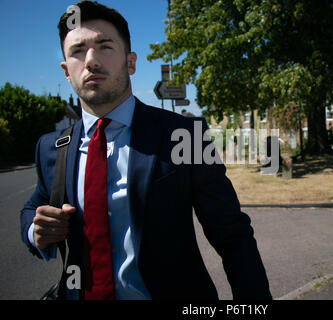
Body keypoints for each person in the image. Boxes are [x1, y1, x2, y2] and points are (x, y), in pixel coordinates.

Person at [20, 0, 271, 300]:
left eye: (104, 46)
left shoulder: (184, 136)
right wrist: (34, 231)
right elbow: (34, 205)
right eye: (77, 51)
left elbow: (233, 237)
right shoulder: (51, 146)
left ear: (130, 62)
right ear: (65, 70)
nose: (91, 61)